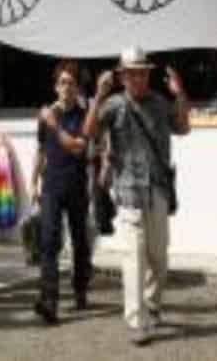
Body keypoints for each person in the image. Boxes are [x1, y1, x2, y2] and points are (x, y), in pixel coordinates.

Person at [86, 46, 190, 346]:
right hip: (128, 191)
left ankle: (152, 305)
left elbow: (183, 128)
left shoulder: (159, 102)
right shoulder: (113, 105)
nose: (138, 78)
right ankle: (137, 320)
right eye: (132, 73)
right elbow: (89, 131)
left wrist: (179, 93)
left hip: (158, 188)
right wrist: (98, 95)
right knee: (133, 256)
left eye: (143, 73)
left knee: (158, 256)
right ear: (122, 77)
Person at [34, 59, 93, 325]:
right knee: (48, 240)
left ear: (77, 86)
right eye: (61, 82)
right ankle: (50, 300)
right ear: (55, 86)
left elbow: (79, 147)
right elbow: (41, 149)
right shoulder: (46, 115)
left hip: (77, 183)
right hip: (51, 184)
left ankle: (80, 287)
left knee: (80, 240)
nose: (65, 87)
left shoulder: (83, 115)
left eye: (70, 82)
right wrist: (33, 181)